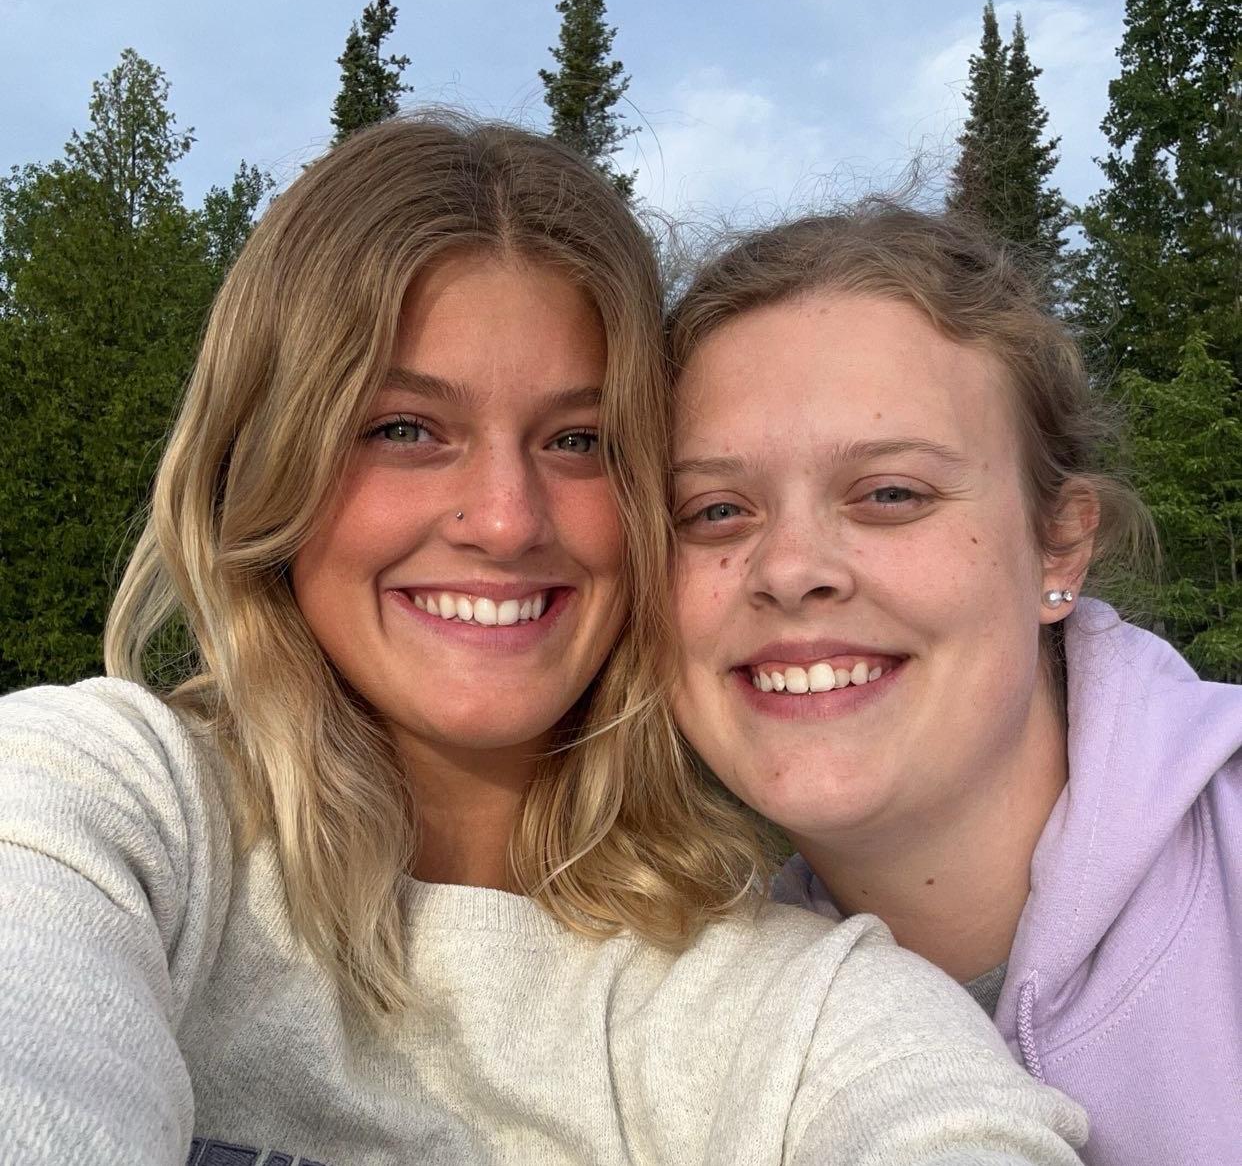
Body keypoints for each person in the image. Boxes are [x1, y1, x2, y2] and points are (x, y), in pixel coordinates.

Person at [0, 119, 1087, 1166]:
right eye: (404, 429)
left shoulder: (800, 1012)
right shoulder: (105, 808)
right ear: (264, 461)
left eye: (578, 440)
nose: (506, 519)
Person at [666, 203, 1242, 1166]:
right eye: (716, 510)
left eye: (891, 494)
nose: (790, 567)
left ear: (1059, 547)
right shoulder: (692, 1032)